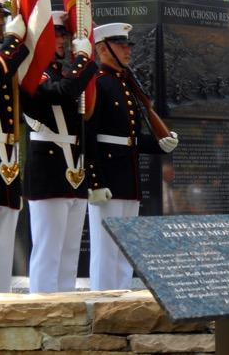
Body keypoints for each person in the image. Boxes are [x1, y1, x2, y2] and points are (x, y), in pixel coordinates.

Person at [87, 22, 179, 290]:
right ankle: (103, 301)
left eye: (128, 45)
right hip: (109, 176)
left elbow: (131, 139)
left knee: (125, 247)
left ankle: (121, 293)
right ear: (103, 50)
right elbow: (88, 136)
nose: (127, 51)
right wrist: (95, 180)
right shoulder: (98, 84)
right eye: (121, 45)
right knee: (106, 247)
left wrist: (159, 144)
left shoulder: (126, 85)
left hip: (129, 177)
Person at [22, 11, 97, 293]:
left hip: (72, 170)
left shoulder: (59, 71)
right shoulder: (33, 73)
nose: (62, 40)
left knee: (69, 255)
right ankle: (43, 312)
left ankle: (69, 315)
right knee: (48, 251)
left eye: (63, 34)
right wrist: (83, 62)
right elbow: (60, 93)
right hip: (49, 169)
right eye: (55, 34)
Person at [0, 2, 28, 293]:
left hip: (6, 159)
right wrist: (12, 42)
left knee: (5, 241)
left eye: (2, 17)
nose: (1, 22)